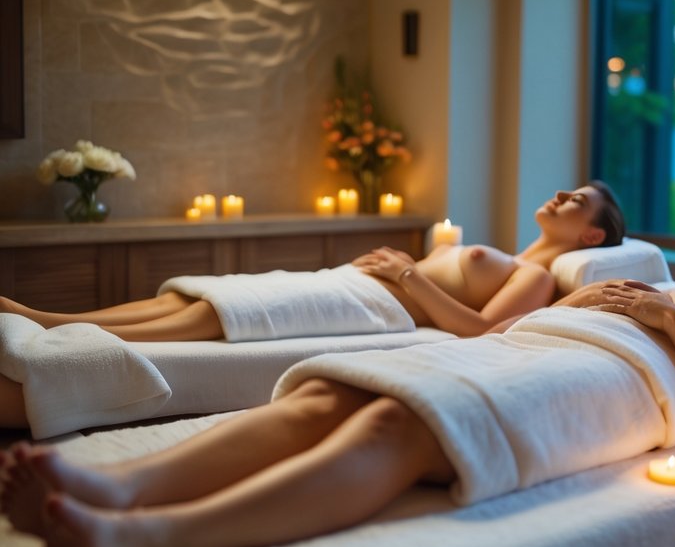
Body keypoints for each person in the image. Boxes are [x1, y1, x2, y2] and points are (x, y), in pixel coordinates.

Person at [0, 190, 675, 547]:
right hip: (542, 344)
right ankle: (114, 486)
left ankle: (149, 540)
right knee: (333, 398)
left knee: (394, 431)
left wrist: (673, 324)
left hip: (606, 382)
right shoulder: (673, 284)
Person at [0, 182, 626, 429]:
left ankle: (53, 326)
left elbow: (480, 329)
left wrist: (408, 273)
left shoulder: (540, 277)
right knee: (209, 297)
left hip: (377, 309)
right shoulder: (518, 253)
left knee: (209, 319)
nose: (562, 195)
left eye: (578, 201)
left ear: (592, 237)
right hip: (357, 286)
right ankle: (52, 321)